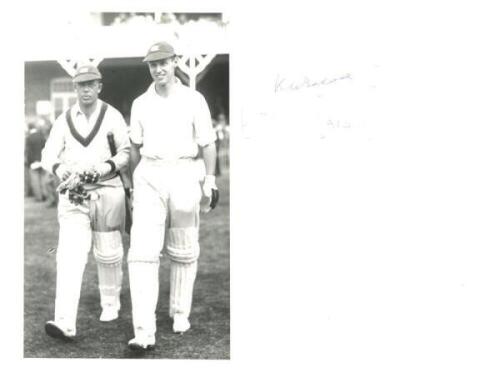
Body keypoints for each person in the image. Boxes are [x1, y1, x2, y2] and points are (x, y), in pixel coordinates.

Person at [127, 41, 218, 351]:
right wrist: (135, 185)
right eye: (153, 64)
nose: (159, 69)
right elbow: (136, 148)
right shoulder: (140, 103)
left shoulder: (194, 99)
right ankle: (143, 331)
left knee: (183, 249)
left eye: (164, 62)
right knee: (141, 253)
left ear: (175, 61)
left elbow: (207, 143)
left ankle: (180, 312)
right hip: (150, 175)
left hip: (184, 175)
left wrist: (210, 181)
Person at [41, 65, 131, 340]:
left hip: (107, 189)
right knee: (69, 254)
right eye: (81, 85)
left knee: (108, 252)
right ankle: (65, 320)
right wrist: (59, 169)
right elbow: (48, 154)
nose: (87, 89)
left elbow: (126, 154)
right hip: (74, 194)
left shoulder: (112, 116)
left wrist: (103, 168)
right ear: (75, 88)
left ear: (99, 86)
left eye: (91, 84)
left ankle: (110, 303)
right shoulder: (64, 119)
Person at [25, 121, 47, 201]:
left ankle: (39, 197)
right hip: (42, 160)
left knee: (35, 181)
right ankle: (45, 195)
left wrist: (29, 162)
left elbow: (28, 151)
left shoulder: (28, 138)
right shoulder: (41, 136)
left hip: (33, 162)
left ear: (29, 128)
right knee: (43, 179)